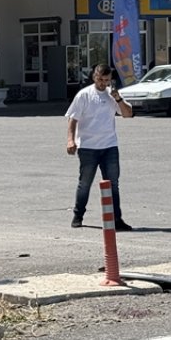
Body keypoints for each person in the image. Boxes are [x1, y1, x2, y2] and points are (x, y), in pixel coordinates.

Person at [66, 64, 134, 230]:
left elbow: (127, 114)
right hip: (88, 147)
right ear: (94, 76)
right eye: (100, 79)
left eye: (107, 80)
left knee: (113, 184)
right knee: (85, 183)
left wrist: (118, 98)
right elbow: (73, 119)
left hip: (109, 146)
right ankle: (78, 215)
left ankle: (117, 219)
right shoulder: (84, 95)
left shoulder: (112, 95)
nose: (103, 83)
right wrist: (70, 140)